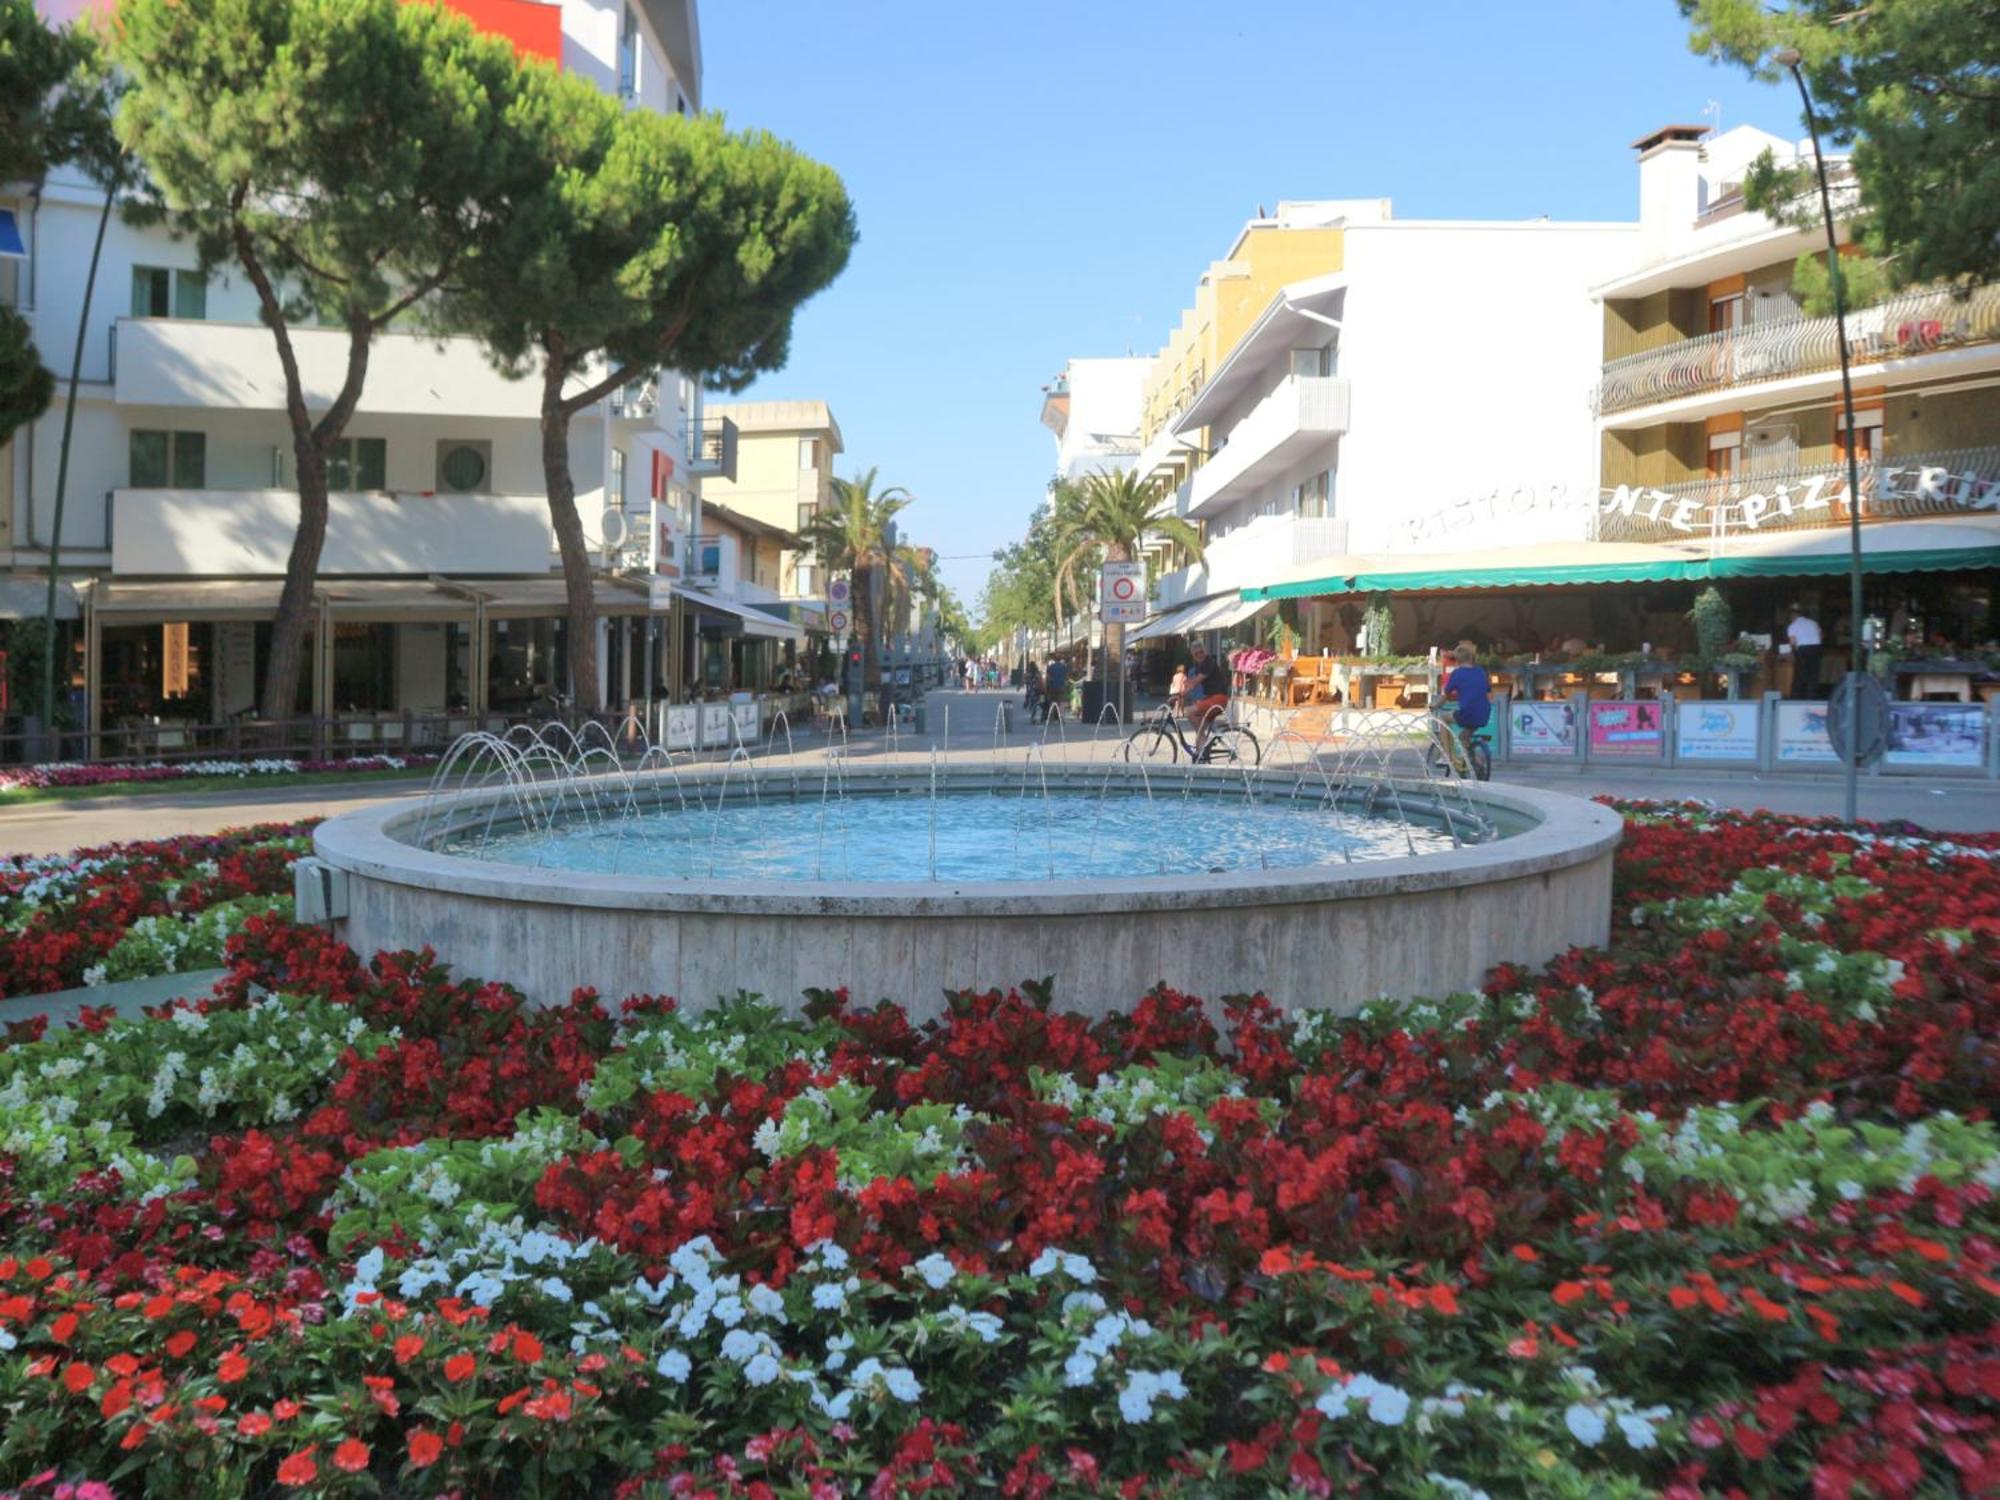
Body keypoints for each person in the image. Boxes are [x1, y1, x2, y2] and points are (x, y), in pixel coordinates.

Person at [1441, 642, 1492, 760]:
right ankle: (1472, 763)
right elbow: (1488, 691)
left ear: (1457, 660)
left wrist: (1435, 705)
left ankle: (1447, 756)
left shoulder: (1457, 673)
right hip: (1483, 714)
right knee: (1463, 737)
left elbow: (1446, 695)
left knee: (1443, 718)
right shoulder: (1481, 672)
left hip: (1468, 714)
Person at [1183, 641, 1230, 748]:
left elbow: (1196, 681)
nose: (1199, 655)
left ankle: (1205, 741)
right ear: (1193, 655)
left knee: (1188, 711)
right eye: (1196, 653)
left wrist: (1181, 694)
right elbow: (1191, 682)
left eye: (1201, 652)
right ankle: (1202, 756)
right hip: (1211, 699)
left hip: (1218, 699)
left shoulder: (1208, 662)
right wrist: (1183, 689)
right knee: (1199, 734)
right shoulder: (1198, 665)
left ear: (1206, 652)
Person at [1787, 603, 1823, 699]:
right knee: (1814, 674)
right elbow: (1820, 636)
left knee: (1800, 673)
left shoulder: (1792, 626)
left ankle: (1796, 697)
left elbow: (1793, 642)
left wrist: (1791, 652)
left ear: (1793, 615)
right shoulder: (1813, 622)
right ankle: (1812, 697)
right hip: (1816, 648)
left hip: (1803, 650)